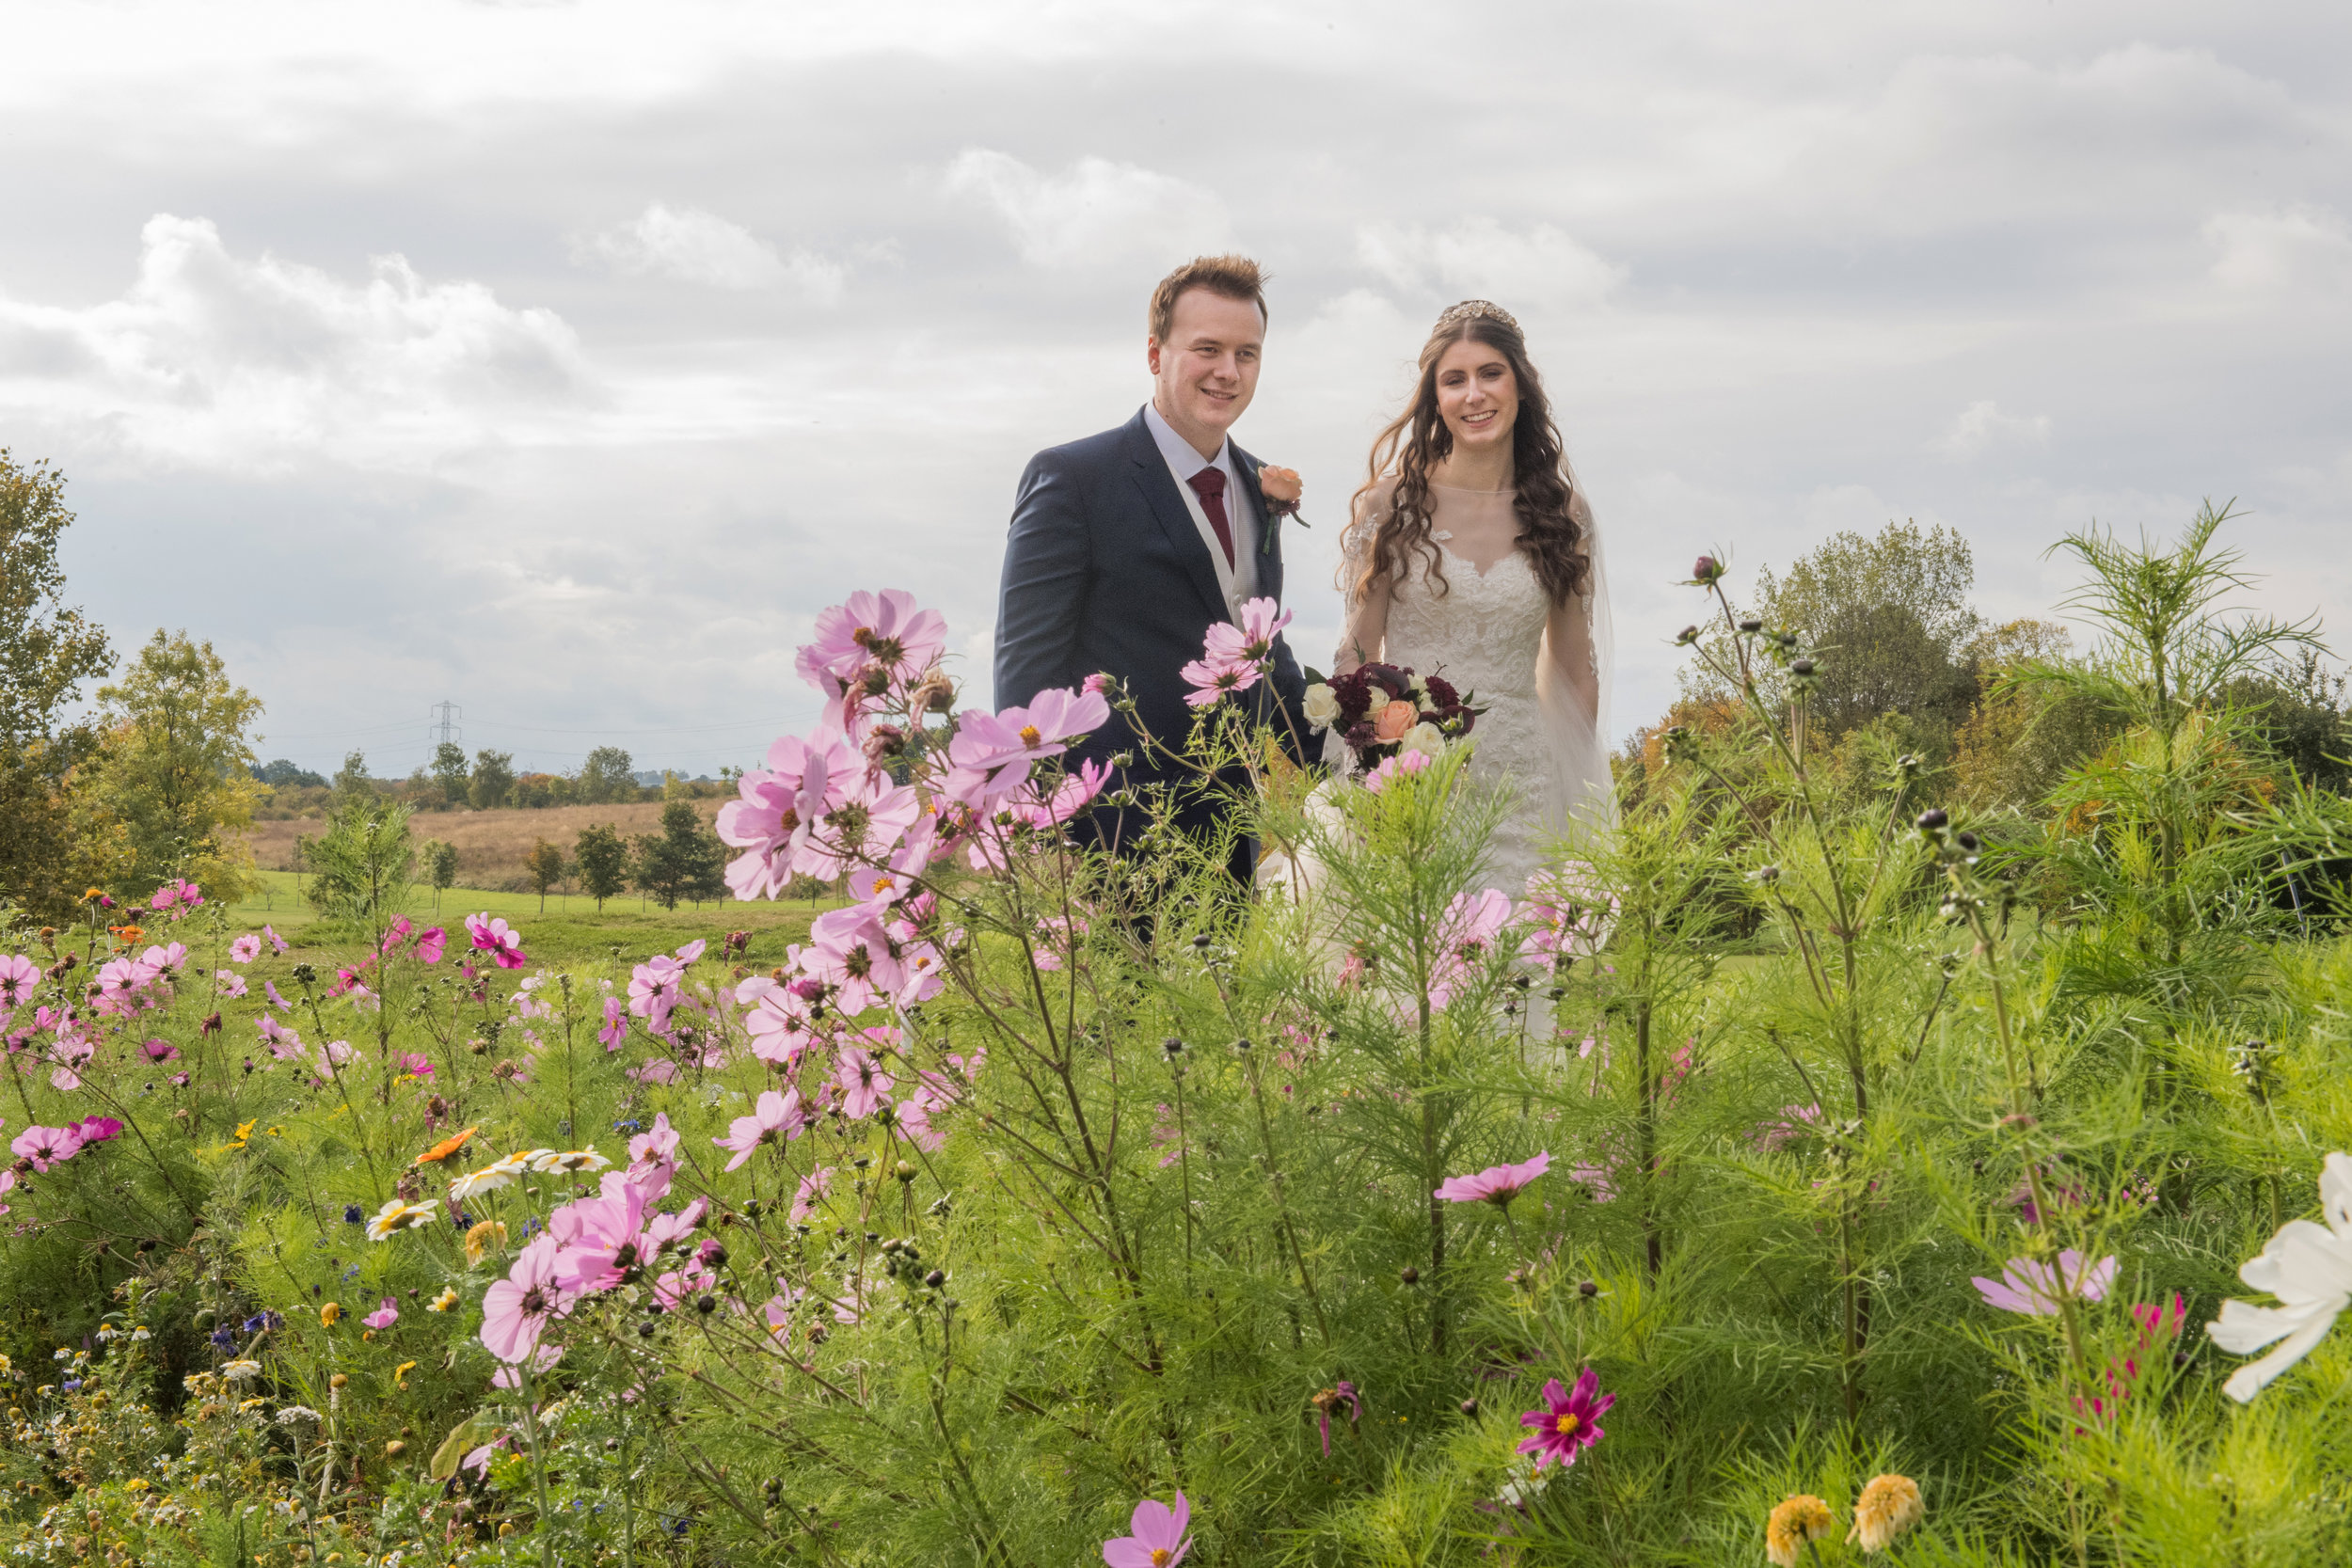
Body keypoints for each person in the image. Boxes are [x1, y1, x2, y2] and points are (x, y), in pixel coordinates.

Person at [993, 255, 1309, 878]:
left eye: (1247, 354)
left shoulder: (1258, 481)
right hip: (1112, 845)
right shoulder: (1074, 480)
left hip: (1231, 845)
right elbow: (1027, 676)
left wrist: (1355, 742)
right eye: (1208, 349)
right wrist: (1043, 831)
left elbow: (1258, 649)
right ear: (1155, 353)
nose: (1228, 372)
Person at [1333, 298, 1614, 894]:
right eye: (1454, 380)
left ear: (1519, 385)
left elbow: (1574, 671)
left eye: (1490, 373)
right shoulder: (1390, 508)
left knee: (1525, 968)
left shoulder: (1563, 515)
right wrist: (1372, 769)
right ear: (1436, 399)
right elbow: (1354, 657)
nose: (1474, 395)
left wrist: (1577, 791)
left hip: (1524, 782)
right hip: (1413, 779)